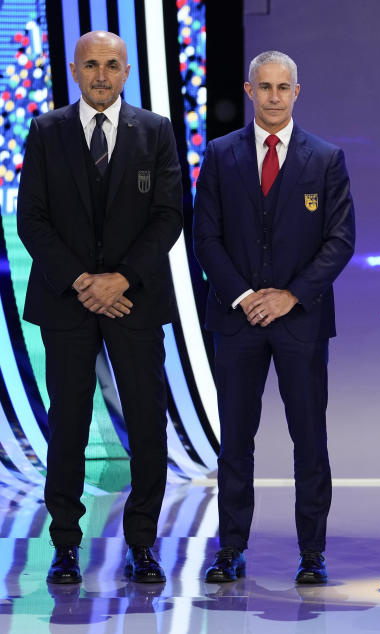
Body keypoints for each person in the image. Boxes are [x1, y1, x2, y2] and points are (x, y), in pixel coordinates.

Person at [17, 31, 183, 584]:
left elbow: (168, 215)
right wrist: (85, 281)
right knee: (67, 424)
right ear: (74, 69)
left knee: (146, 423)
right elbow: (31, 220)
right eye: (92, 65)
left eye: (112, 65)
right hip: (67, 302)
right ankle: (65, 544)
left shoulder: (156, 132)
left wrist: (121, 279)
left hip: (133, 300)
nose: (102, 75)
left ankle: (142, 543)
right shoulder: (45, 131)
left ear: (127, 70)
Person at [193, 50, 355, 584]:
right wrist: (244, 296)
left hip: (300, 320)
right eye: (264, 87)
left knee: (309, 439)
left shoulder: (326, 158)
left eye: (283, 88)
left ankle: (313, 553)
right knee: (236, 440)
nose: (274, 97)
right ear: (248, 91)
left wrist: (288, 296)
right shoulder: (219, 155)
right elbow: (206, 237)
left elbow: (340, 241)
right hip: (236, 321)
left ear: (297, 92)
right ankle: (231, 549)